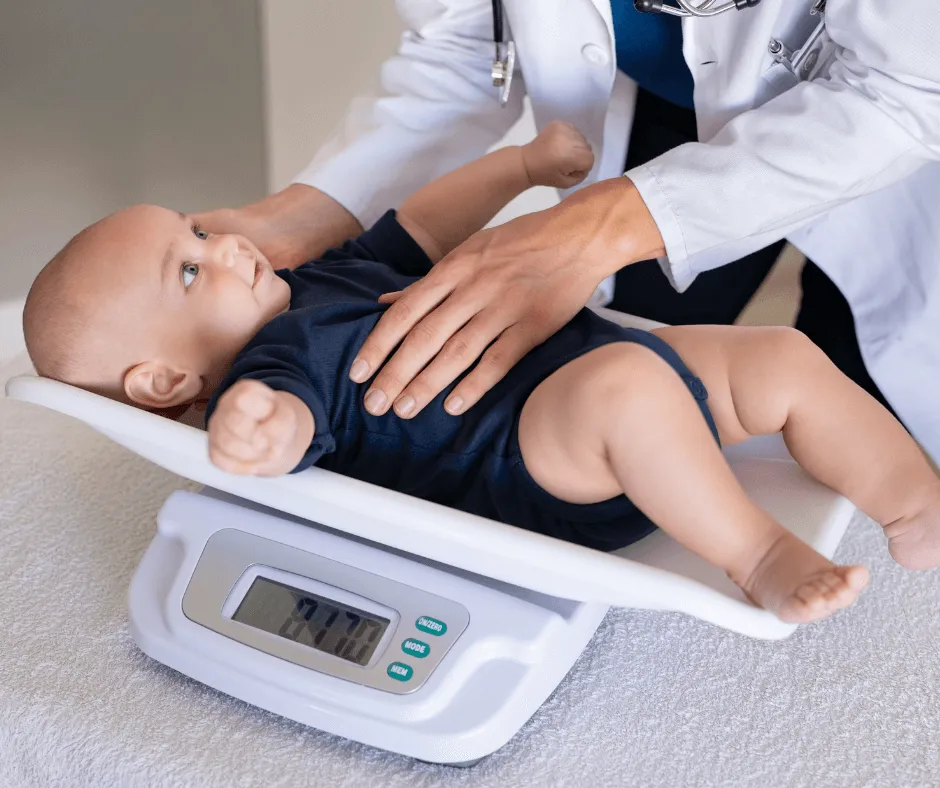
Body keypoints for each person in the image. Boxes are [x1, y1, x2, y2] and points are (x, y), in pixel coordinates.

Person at [20, 123, 940, 627]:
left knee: (780, 355)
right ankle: (760, 556)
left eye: (194, 228)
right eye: (189, 271)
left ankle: (914, 502)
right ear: (160, 384)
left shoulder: (316, 283)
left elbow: (418, 228)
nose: (222, 243)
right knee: (628, 386)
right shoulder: (273, 365)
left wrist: (518, 167)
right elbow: (294, 429)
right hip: (536, 462)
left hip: (587, 372)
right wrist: (255, 430)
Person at [196, 0, 940, 461]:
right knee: (653, 377)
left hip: (897, 136)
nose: (215, 248)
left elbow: (907, 91)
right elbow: (466, 41)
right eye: (189, 257)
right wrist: (316, 207)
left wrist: (590, 221)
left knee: (861, 402)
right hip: (665, 101)